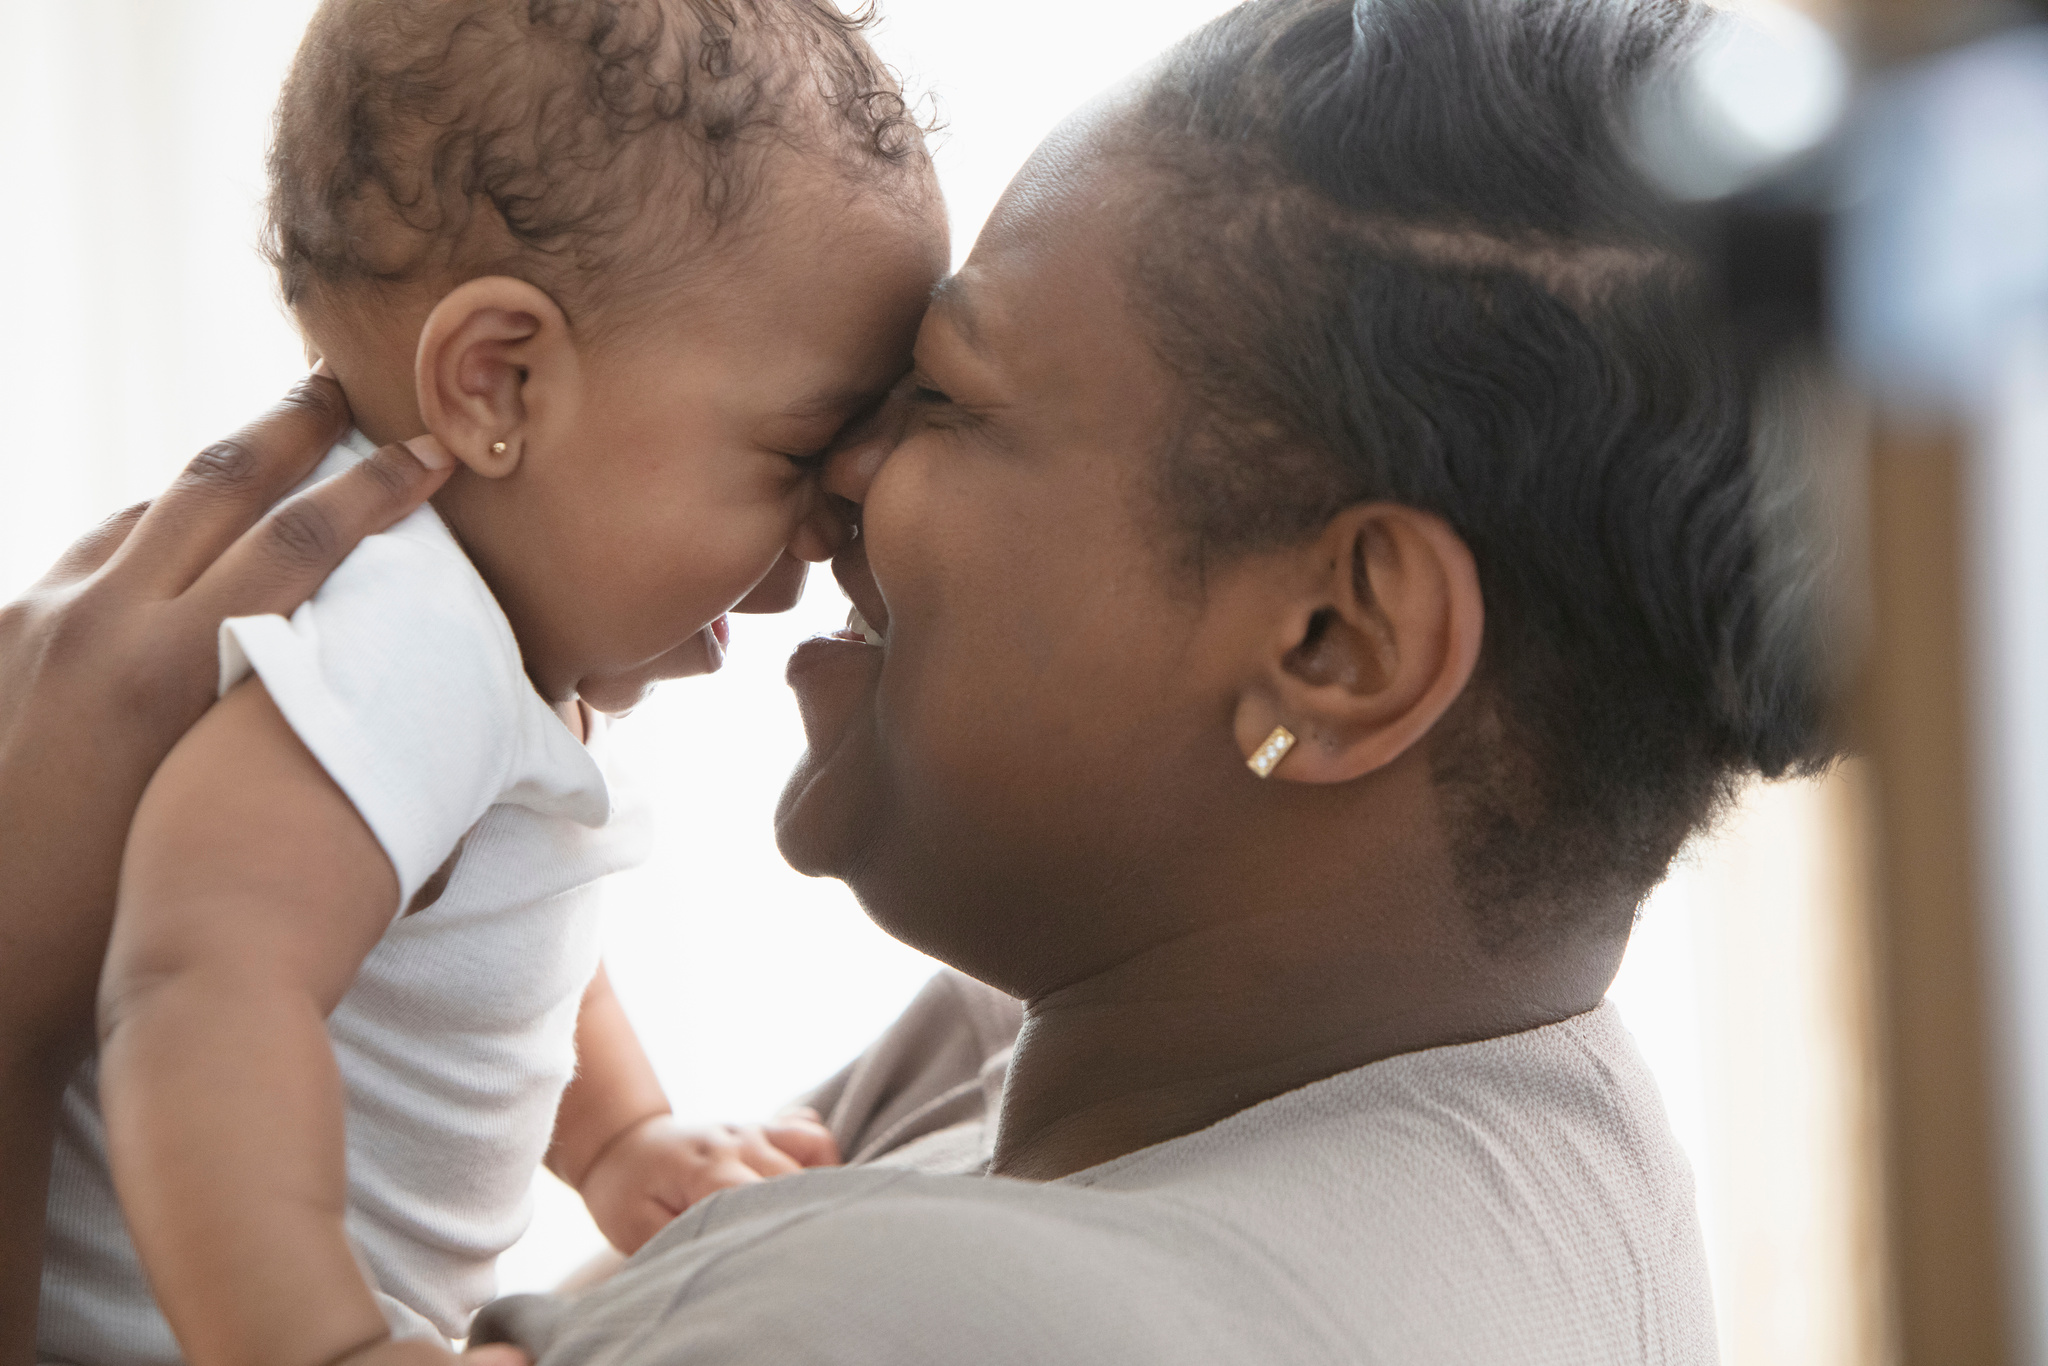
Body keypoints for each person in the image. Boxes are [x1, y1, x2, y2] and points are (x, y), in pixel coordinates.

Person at [1, 0, 1836, 1361]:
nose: (845, 479)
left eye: (944, 398)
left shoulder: (887, 1322)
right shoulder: (1507, 1115)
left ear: (1335, 643)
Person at [32, 2, 948, 1365]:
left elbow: (502, 941)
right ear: (500, 382)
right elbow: (202, 989)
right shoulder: (405, 630)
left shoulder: (461, 629)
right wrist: (324, 1347)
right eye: (801, 453)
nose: (834, 526)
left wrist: (623, 1135)